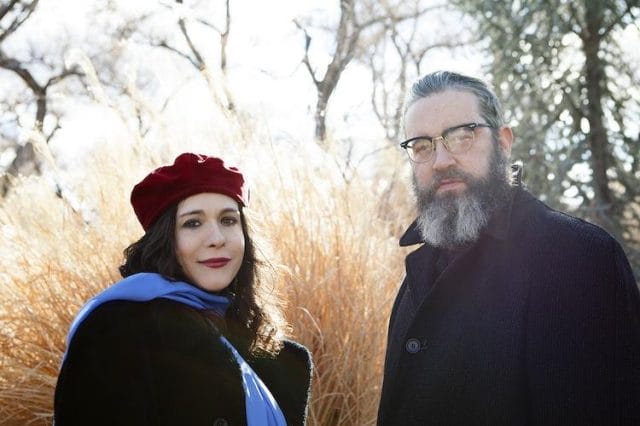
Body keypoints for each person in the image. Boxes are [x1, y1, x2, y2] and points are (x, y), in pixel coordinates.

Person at [377, 71, 640, 425]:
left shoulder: (580, 258)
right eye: (422, 146)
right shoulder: (414, 281)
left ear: (503, 142)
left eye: (462, 136)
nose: (441, 160)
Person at [54, 153, 313, 425]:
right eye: (193, 223)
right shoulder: (117, 331)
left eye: (228, 220)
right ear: (165, 240)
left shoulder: (284, 361)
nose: (216, 239)